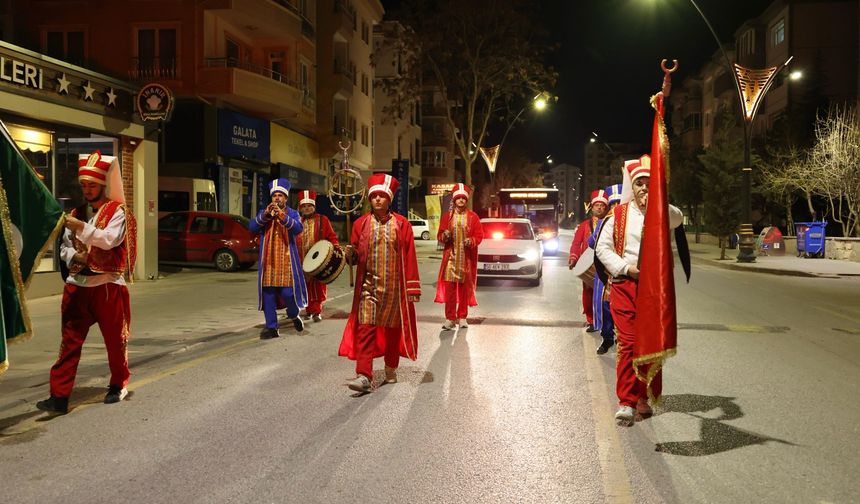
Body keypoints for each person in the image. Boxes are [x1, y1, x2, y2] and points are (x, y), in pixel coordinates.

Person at [36, 151, 137, 414]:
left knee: (116, 342)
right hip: (77, 286)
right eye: (83, 185)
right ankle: (59, 396)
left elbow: (108, 239)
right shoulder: (76, 212)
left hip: (107, 288)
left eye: (91, 185)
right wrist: (74, 256)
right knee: (69, 343)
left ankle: (118, 384)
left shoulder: (118, 212)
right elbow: (64, 248)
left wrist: (79, 228)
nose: (87, 190)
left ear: (103, 184)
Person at [595, 156, 683, 426]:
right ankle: (626, 401)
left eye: (649, 183)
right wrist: (625, 268)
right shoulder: (618, 216)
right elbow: (602, 249)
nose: (644, 188)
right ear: (631, 188)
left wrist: (658, 200)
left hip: (654, 290)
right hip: (626, 285)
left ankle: (644, 394)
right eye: (639, 184)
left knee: (650, 343)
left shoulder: (663, 212)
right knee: (629, 342)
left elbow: (678, 219)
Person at [338, 173, 421, 393]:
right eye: (374, 196)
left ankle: (391, 368)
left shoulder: (402, 225)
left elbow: (410, 256)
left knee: (393, 332)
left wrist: (412, 287)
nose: (377, 200)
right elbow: (355, 256)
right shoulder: (360, 223)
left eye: (382, 196)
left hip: (395, 289)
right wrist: (350, 255)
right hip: (369, 288)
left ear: (389, 200)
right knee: (365, 329)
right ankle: (364, 375)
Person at [250, 178, 308, 339]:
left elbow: (298, 228)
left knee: (288, 294)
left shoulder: (292, 213)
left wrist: (281, 216)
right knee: (268, 295)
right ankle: (272, 328)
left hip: (287, 263)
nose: (277, 198)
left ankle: (294, 314)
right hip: (268, 262)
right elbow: (252, 227)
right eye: (274, 195)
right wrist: (266, 215)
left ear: (286, 198)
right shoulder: (265, 213)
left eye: (280, 195)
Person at [435, 183, 484, 330]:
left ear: (466, 200)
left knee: (464, 291)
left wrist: (472, 241)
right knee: (450, 291)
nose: (461, 200)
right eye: (458, 198)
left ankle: (462, 317)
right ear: (454, 200)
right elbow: (439, 235)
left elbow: (479, 235)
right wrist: (445, 235)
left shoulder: (473, 217)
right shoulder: (447, 217)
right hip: (450, 259)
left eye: (463, 198)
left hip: (465, 260)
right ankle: (450, 318)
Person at [588, 183, 622, 355]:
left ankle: (625, 339)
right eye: (613, 203)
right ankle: (607, 337)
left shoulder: (630, 221)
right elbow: (592, 244)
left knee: (625, 309)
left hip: (625, 274)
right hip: (607, 274)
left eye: (619, 203)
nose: (616, 207)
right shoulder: (604, 221)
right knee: (606, 306)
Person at [569, 189, 609, 331]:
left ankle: (606, 321)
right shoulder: (584, 226)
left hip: (607, 264)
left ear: (606, 207)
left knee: (607, 294)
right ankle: (591, 320)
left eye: (602, 205)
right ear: (592, 208)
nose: (599, 207)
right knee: (588, 293)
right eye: (597, 205)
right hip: (590, 265)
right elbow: (576, 243)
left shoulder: (611, 224)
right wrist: (573, 258)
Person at [296, 190, 339, 322]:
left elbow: (331, 236)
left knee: (318, 286)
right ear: (300, 208)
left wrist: (336, 247)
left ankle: (317, 311)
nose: (307, 208)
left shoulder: (323, 220)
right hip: (301, 260)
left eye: (309, 205)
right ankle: (309, 310)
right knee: (305, 286)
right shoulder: (297, 222)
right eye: (304, 206)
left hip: (318, 260)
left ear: (314, 206)